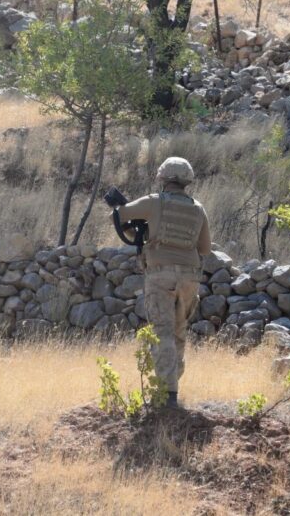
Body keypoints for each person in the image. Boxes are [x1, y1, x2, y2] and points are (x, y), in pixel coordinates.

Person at [114, 157, 211, 408]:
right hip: (190, 276)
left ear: (163, 178)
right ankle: (172, 387)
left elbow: (120, 213)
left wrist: (140, 231)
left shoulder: (153, 202)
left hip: (160, 274)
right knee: (179, 331)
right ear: (187, 180)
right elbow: (205, 248)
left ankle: (167, 396)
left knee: (162, 332)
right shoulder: (198, 208)